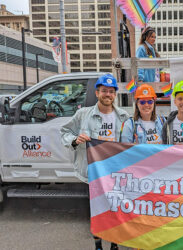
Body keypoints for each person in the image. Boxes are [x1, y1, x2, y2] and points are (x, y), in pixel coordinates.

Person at [61, 74, 128, 250]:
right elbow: (64, 132)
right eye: (104, 91)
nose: (108, 94)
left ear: (115, 94)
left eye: (111, 91)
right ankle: (97, 245)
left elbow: (130, 144)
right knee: (96, 212)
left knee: (115, 209)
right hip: (93, 172)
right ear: (97, 93)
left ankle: (114, 244)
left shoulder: (123, 116)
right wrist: (75, 139)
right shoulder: (83, 114)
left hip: (115, 172)